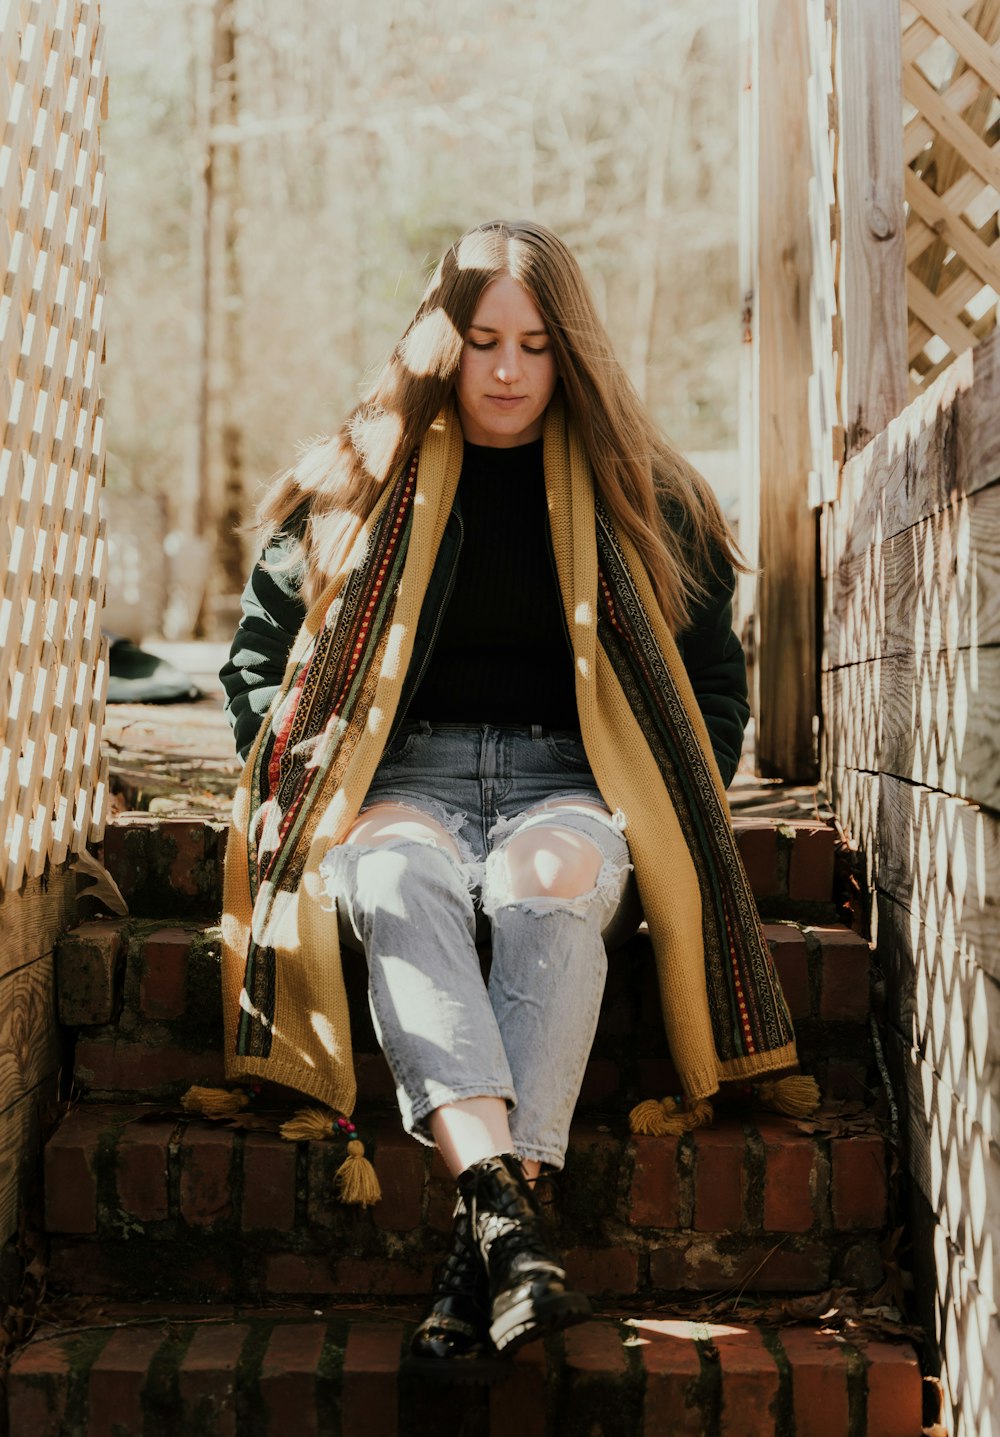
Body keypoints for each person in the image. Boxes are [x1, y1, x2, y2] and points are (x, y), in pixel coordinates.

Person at [218, 220, 803, 1371]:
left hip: (567, 783)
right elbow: (254, 663)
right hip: (406, 780)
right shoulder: (354, 480)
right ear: (439, 339)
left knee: (546, 894)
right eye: (482, 338)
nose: (505, 370)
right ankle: (509, 1216)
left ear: (568, 352)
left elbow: (711, 690)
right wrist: (307, 782)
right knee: (389, 880)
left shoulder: (648, 492)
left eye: (534, 344)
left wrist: (674, 793)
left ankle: (480, 1240)